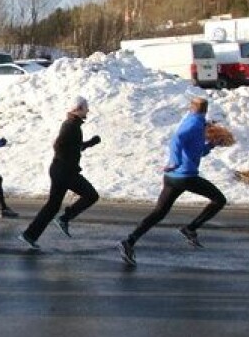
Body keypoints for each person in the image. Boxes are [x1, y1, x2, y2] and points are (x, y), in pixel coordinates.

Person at [118, 97, 227, 267]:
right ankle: (190, 228)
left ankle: (129, 241)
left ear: (191, 108)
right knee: (219, 200)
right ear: (205, 110)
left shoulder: (192, 121)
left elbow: (195, 150)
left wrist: (210, 146)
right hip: (186, 177)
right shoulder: (195, 124)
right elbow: (176, 140)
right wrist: (175, 161)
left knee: (159, 213)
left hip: (172, 178)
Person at [19, 96, 101, 250]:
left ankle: (29, 235)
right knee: (91, 195)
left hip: (60, 170)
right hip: (65, 172)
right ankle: (65, 218)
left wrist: (90, 143)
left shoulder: (72, 124)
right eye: (85, 108)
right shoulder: (71, 126)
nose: (88, 110)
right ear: (78, 109)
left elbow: (74, 146)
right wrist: (66, 162)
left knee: (52, 206)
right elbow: (58, 145)